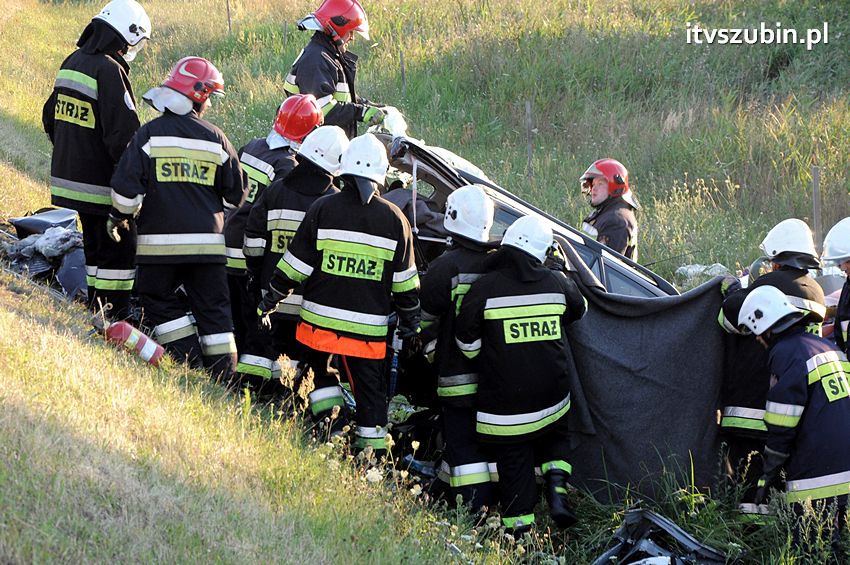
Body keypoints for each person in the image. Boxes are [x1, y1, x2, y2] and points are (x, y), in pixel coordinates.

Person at [257, 133, 420, 452]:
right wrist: (411, 324)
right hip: (367, 335)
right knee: (369, 393)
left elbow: (294, 266)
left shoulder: (323, 209)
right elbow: (405, 285)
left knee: (318, 375)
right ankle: (368, 455)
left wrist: (271, 298)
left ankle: (331, 429)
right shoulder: (395, 220)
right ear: (381, 175)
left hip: (318, 326)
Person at [109, 56, 244, 379]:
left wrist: (119, 218)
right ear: (200, 96)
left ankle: (189, 360)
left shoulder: (150, 135)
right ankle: (223, 377)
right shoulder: (217, 139)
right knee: (215, 312)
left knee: (157, 298)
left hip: (159, 249)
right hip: (208, 250)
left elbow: (127, 193)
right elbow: (236, 195)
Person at [455, 215, 587, 533]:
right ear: (542, 253)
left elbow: (466, 342)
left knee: (515, 468)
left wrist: (491, 356)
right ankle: (557, 490)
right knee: (557, 438)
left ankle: (519, 535)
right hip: (554, 397)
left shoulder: (484, 288)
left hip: (506, 410)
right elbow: (579, 309)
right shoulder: (557, 283)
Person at [42, 0, 151, 319]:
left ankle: (96, 304)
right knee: (120, 248)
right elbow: (124, 136)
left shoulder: (71, 62)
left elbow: (50, 116)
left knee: (95, 244)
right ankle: (115, 312)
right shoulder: (109, 70)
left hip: (71, 181)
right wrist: (137, 179)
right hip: (100, 184)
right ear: (126, 36)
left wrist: (70, 150)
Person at [717, 218, 826, 508]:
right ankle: (772, 537)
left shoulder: (767, 285)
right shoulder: (816, 292)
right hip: (791, 410)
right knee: (775, 484)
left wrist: (734, 290)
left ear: (777, 259)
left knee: (747, 488)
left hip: (748, 411)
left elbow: (728, 320)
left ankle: (747, 542)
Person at [738, 285, 850, 563]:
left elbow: (783, 420)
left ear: (764, 328)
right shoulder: (828, 346)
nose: (758, 342)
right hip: (846, 469)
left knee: (812, 552)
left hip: (817, 478)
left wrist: (770, 470)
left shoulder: (786, 353)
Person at [236, 125, 349, 397]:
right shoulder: (334, 202)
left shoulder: (275, 191)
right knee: (303, 360)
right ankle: (292, 401)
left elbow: (253, 239)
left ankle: (253, 394)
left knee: (261, 351)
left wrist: (254, 274)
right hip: (310, 306)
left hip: (270, 296)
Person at [419, 184, 496, 510]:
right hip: (493, 374)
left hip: (456, 375)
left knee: (462, 443)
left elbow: (424, 317)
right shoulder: (498, 264)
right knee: (477, 443)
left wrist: (430, 349)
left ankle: (472, 509)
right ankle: (444, 490)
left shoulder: (445, 267)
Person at [226, 94, 324, 352]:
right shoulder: (287, 166)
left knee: (233, 321)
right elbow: (273, 216)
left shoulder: (253, 146)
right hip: (249, 256)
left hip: (226, 246)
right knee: (253, 328)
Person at [286, 0, 386, 138]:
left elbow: (341, 98)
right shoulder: (316, 60)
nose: (352, 38)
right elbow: (322, 110)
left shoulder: (328, 56)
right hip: (315, 148)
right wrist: (361, 113)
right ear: (339, 30)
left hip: (326, 145)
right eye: (350, 32)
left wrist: (371, 106)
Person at [579, 158, 639, 261]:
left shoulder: (617, 222)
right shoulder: (607, 211)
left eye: (600, 184)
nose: (594, 188)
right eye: (593, 184)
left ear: (615, 186)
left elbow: (605, 267)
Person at [822, 217, 850, 358]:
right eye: (840, 263)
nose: (843, 268)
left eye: (848, 261)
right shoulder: (848, 287)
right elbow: (841, 329)